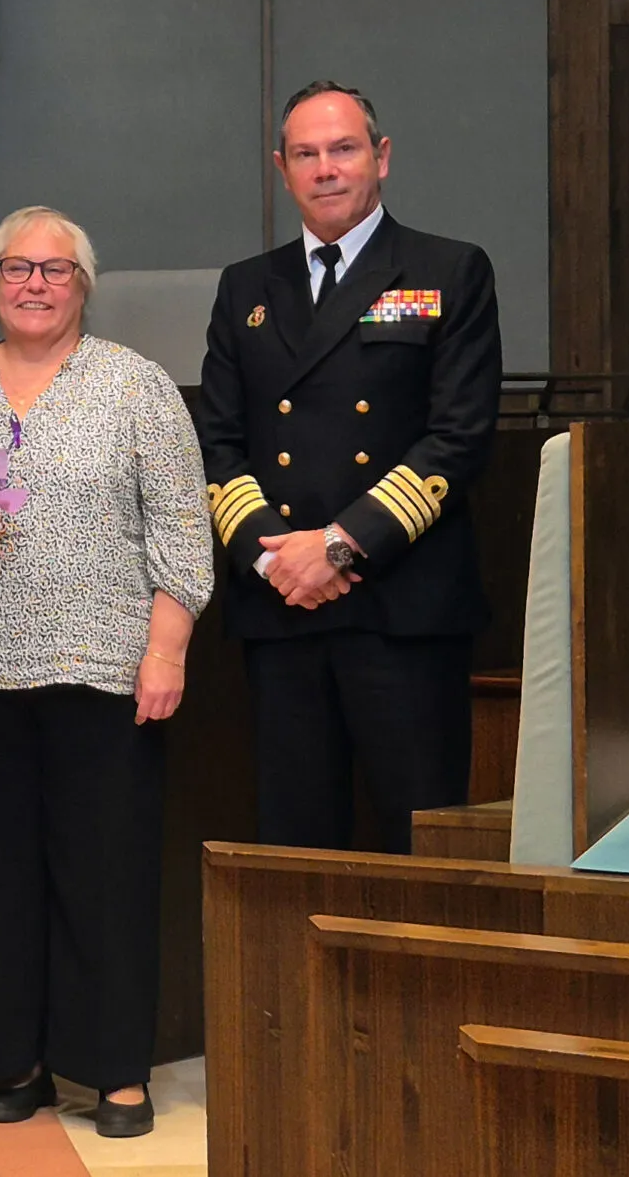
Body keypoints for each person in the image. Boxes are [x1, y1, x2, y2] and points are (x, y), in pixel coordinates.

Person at [0, 207, 213, 1138]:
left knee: (106, 876)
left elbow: (182, 532)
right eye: (17, 268)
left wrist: (164, 648)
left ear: (83, 284)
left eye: (55, 269)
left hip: (105, 667)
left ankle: (116, 1071)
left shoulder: (136, 385)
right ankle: (17, 1061)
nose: (35, 284)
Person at [198, 80, 503, 852]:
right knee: (294, 852)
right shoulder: (245, 289)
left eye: (343, 149)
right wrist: (277, 561)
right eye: (307, 154)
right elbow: (219, 442)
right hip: (284, 610)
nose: (326, 168)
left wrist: (335, 545)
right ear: (282, 167)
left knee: (421, 845)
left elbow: (458, 436)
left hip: (401, 609)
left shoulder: (446, 271)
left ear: (381, 157)